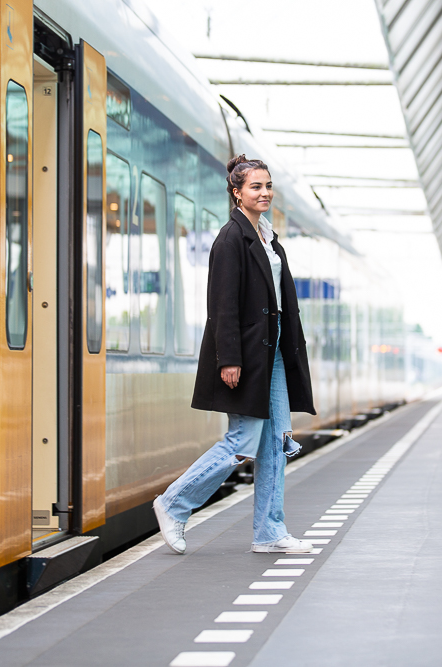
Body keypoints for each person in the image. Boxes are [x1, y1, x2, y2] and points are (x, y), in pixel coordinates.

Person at [153, 154, 316, 555]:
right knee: (242, 440)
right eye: (256, 186)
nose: (265, 192)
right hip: (246, 356)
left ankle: (269, 532)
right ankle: (174, 503)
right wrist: (229, 358)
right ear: (237, 192)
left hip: (273, 354)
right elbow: (222, 305)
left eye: (268, 185)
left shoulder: (267, 237)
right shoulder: (230, 239)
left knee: (275, 441)